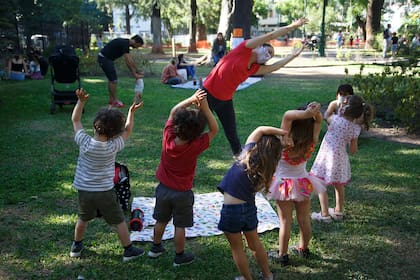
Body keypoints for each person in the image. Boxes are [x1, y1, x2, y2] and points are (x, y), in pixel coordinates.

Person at [202, 17, 308, 157]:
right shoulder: (244, 48)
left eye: (270, 56)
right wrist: (292, 26)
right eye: (268, 51)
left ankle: (240, 161)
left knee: (232, 134)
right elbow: (271, 35)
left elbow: (276, 66)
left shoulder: (254, 68)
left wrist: (294, 55)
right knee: (196, 126)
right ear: (260, 46)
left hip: (225, 100)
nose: (268, 56)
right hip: (208, 94)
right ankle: (182, 151)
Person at [70, 88, 145, 262]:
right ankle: (128, 250)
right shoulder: (113, 146)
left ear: (96, 124)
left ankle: (76, 246)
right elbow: (128, 131)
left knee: (83, 218)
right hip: (105, 191)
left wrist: (81, 102)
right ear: (114, 133)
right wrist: (131, 113)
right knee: (118, 220)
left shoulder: (84, 142)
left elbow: (75, 119)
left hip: (84, 191)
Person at [148, 89, 218, 267]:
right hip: (182, 194)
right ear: (197, 133)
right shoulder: (196, 145)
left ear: (176, 124)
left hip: (163, 189)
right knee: (180, 225)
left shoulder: (168, 137)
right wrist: (205, 107)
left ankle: (155, 248)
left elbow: (173, 111)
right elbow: (214, 129)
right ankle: (179, 257)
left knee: (160, 220)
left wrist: (192, 99)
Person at [218, 126, 287, 280]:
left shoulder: (247, 155)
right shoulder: (268, 168)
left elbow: (260, 130)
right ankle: (268, 275)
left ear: (258, 146)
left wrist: (281, 133)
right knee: (255, 243)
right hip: (248, 208)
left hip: (231, 210)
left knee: (237, 248)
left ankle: (247, 278)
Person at [266, 102, 325, 266]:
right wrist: (315, 114)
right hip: (303, 183)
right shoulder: (312, 140)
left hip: (283, 185)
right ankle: (304, 248)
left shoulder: (284, 138)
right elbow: (319, 121)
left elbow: (287, 115)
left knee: (285, 221)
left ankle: (282, 255)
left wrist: (306, 113)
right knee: (304, 218)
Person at [310, 95, 374, 223]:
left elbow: (325, 116)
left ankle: (324, 214)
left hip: (326, 157)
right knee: (339, 185)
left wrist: (333, 104)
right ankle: (338, 211)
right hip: (341, 159)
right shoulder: (356, 128)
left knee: (320, 183)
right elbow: (353, 150)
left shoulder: (335, 120)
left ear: (344, 109)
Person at [98, 34, 144, 108]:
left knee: (112, 80)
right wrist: (134, 73)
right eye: (137, 46)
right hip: (104, 59)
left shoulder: (125, 43)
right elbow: (127, 61)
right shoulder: (125, 43)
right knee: (113, 80)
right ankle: (115, 101)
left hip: (106, 59)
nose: (136, 48)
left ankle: (111, 100)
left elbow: (130, 59)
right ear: (135, 41)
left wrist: (137, 70)